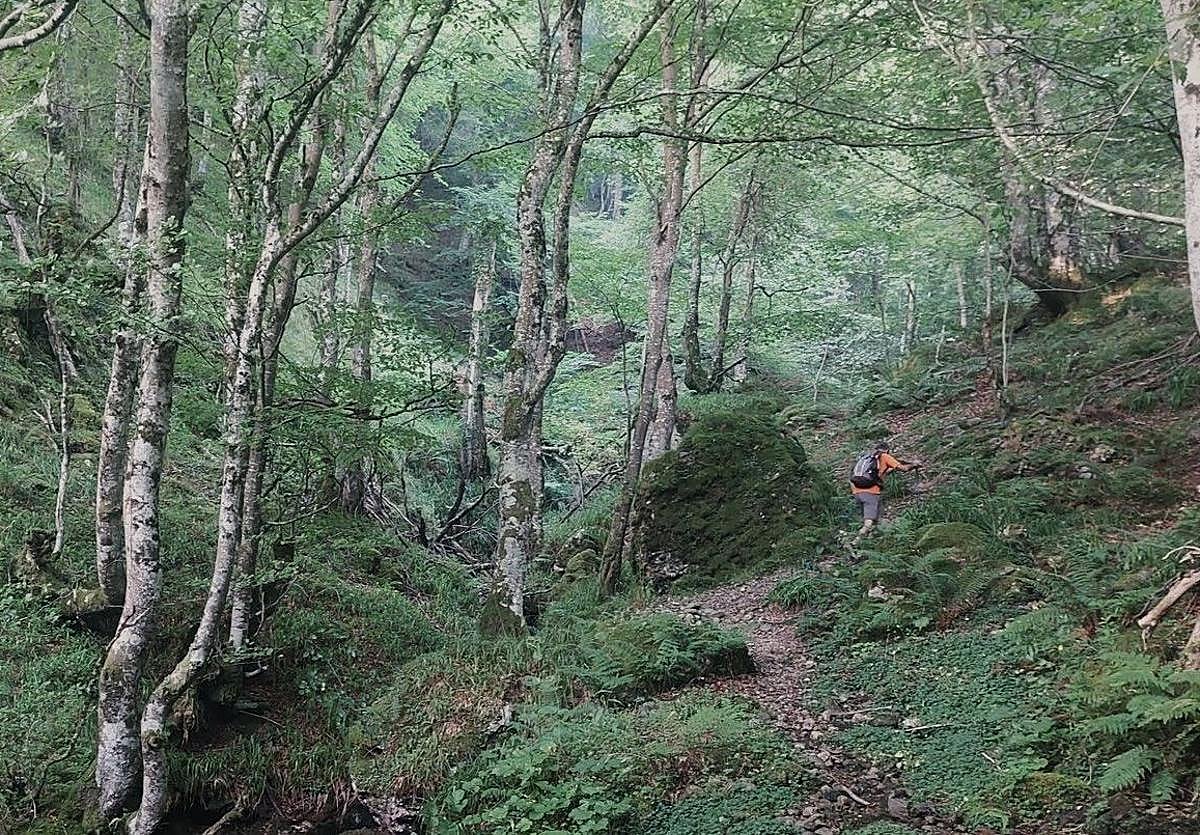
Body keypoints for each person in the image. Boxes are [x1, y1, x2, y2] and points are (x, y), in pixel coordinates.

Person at [849, 441, 919, 540]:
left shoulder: (865, 458)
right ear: (887, 450)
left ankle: (871, 544)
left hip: (858, 492)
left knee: (876, 518)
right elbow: (904, 469)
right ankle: (855, 542)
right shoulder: (885, 457)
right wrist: (914, 465)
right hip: (871, 493)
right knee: (868, 523)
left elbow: (880, 473)